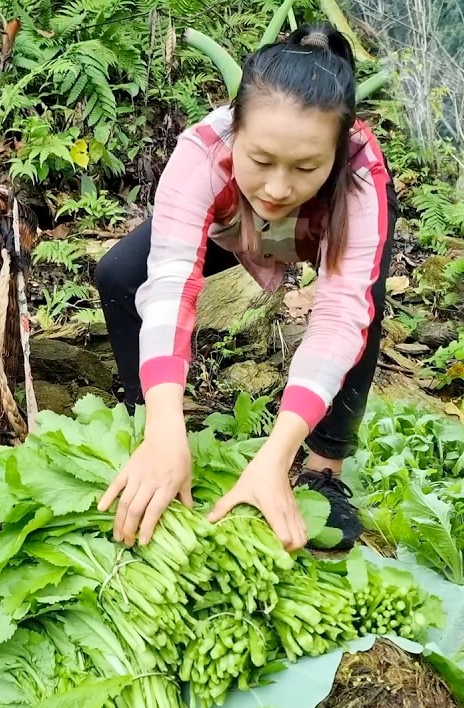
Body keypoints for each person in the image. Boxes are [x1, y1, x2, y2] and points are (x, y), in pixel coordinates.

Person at [93, 23, 396, 553]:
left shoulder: (360, 176)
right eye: (261, 161)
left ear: (337, 149)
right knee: (121, 275)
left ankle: (325, 469)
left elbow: (337, 317)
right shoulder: (203, 154)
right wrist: (167, 424)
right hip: (236, 226)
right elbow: (170, 283)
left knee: (361, 314)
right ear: (236, 129)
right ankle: (154, 428)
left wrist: (275, 457)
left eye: (306, 166)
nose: (279, 187)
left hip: (318, 231)